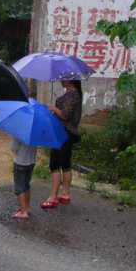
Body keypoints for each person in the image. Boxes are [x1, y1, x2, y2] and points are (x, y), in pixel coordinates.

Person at [41, 80, 83, 208]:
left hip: (63, 133)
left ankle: (53, 197)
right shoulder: (74, 93)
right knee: (65, 164)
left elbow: (65, 115)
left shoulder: (72, 94)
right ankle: (65, 194)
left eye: (63, 77)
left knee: (55, 164)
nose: (61, 79)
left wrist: (53, 108)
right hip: (67, 133)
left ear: (70, 80)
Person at [10, 136, 37, 219]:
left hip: (20, 162)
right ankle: (27, 207)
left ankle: (23, 211)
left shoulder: (19, 134)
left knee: (19, 188)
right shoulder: (34, 135)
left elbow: (13, 148)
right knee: (26, 185)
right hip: (31, 162)